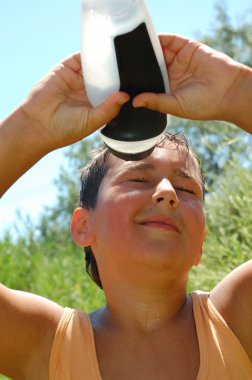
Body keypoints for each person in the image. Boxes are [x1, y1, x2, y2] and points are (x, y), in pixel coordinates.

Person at [0, 34, 251, 379]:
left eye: (186, 188)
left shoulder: (235, 324)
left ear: (201, 242)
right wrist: (33, 125)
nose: (167, 194)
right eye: (138, 180)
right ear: (83, 226)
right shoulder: (49, 347)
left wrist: (238, 93)